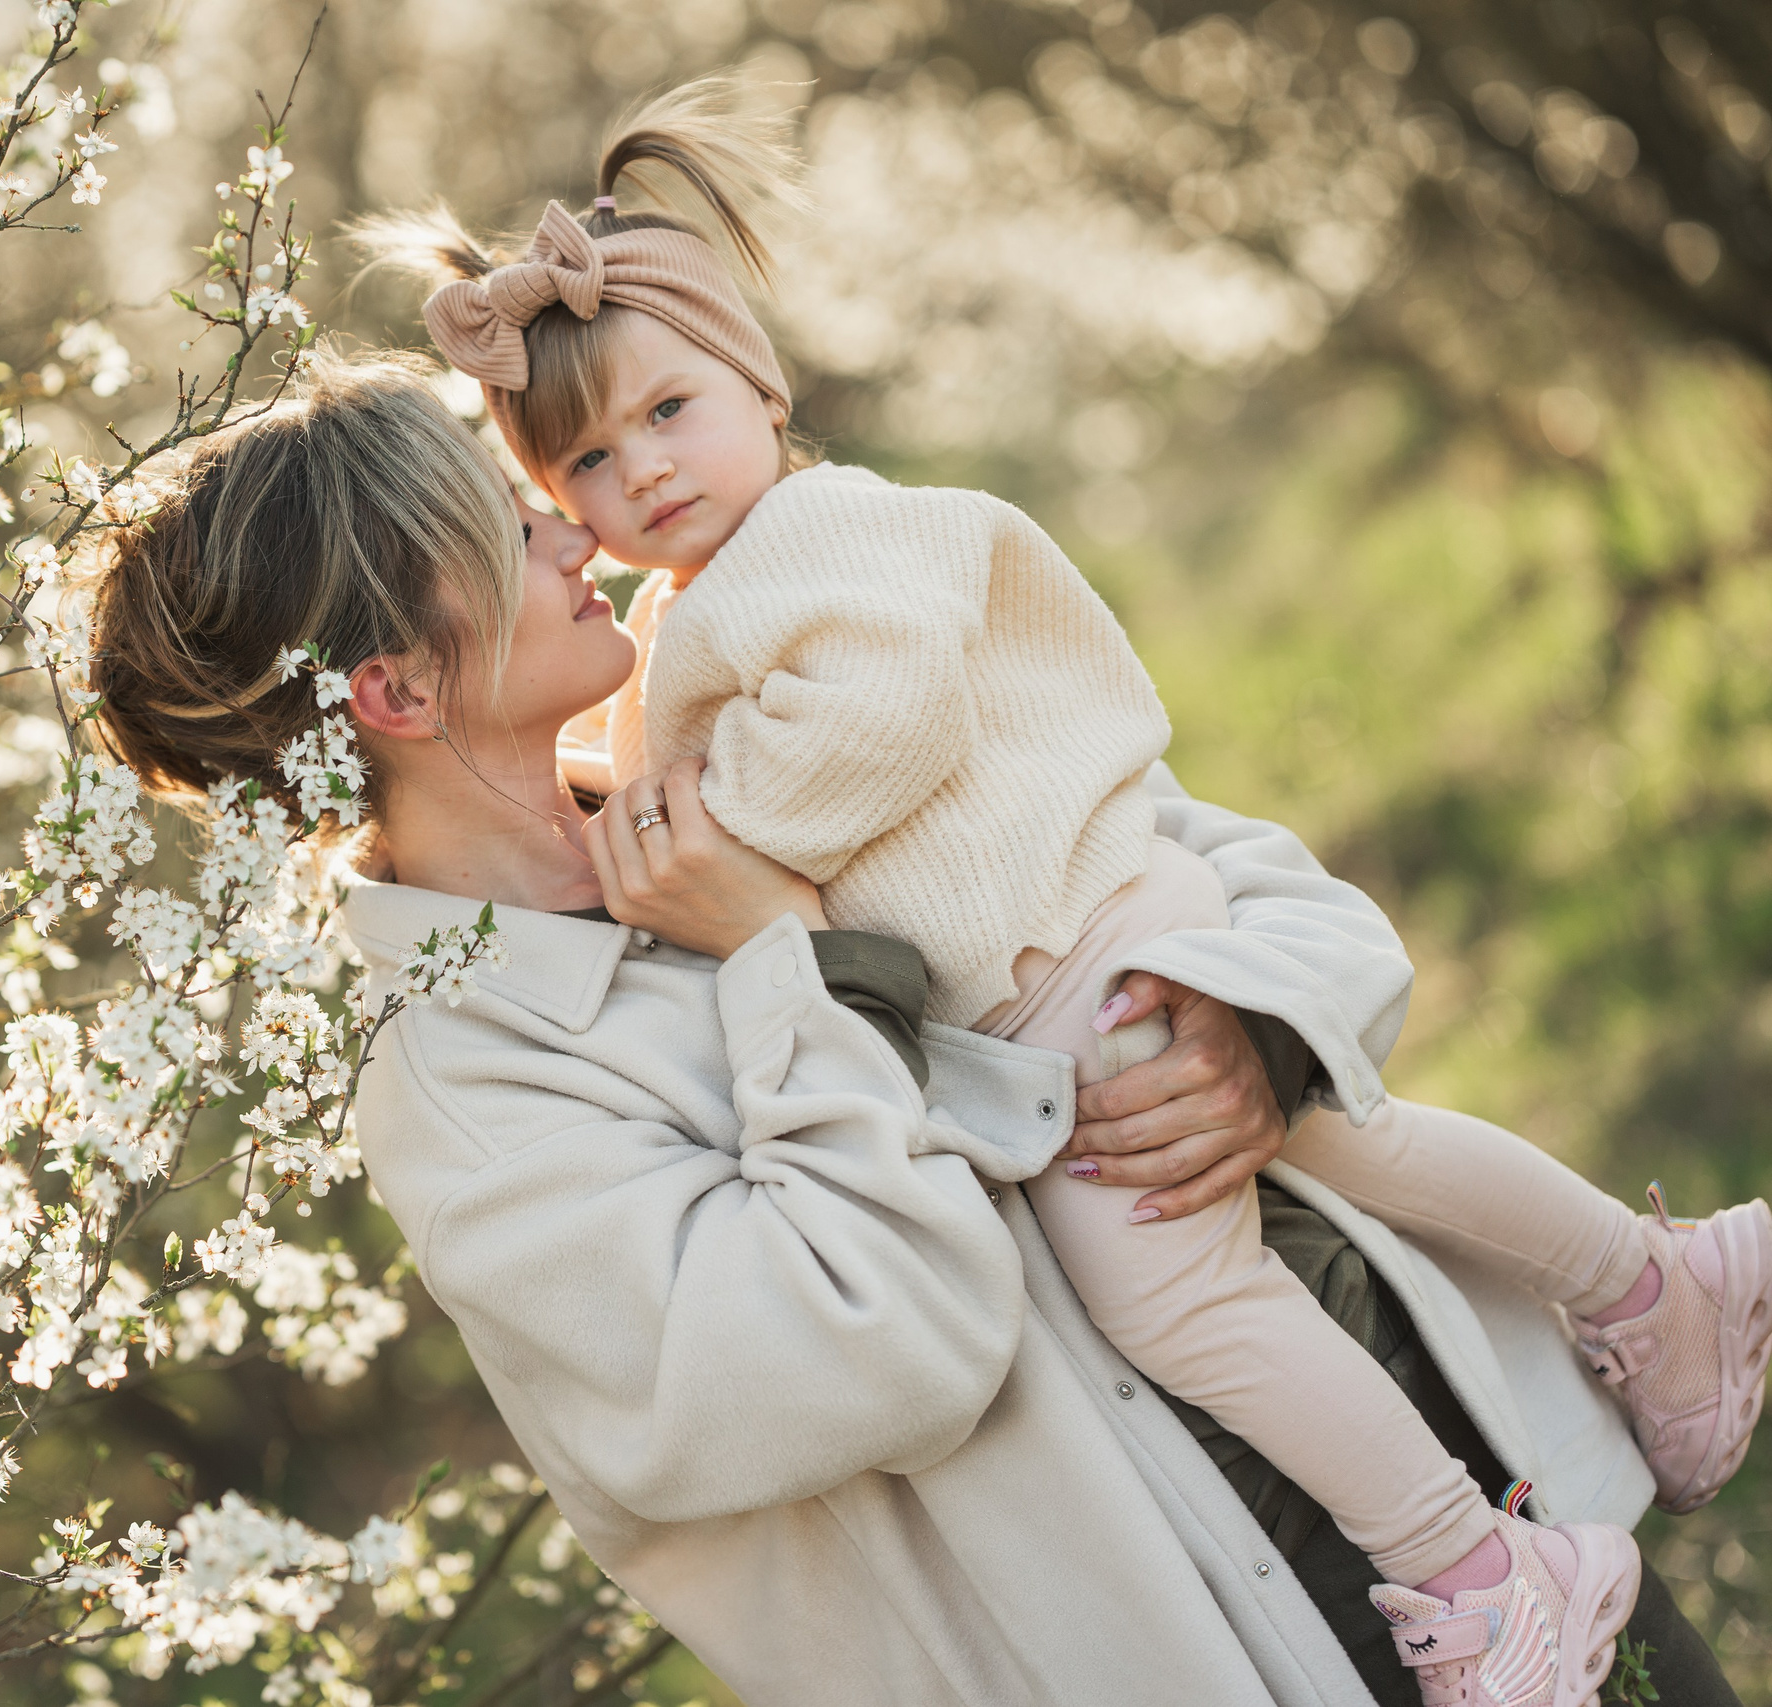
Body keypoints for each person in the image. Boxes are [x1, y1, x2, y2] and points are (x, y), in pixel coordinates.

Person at [362, 80, 1772, 1705]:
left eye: (671, 413)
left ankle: (1479, 1563)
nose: (637, 480)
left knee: (1171, 1284)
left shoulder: (821, 540)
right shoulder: (700, 639)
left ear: (761, 381)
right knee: (1352, 1139)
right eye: (590, 463)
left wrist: (735, 859)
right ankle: (1649, 1286)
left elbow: (881, 724)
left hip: (1080, 955)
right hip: (1081, 981)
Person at [84, 353, 1738, 1706]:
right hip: (1249, 1646)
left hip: (1498, 1506)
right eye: (506, 530)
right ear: (397, 695)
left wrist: (1259, 1034)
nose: (575, 532)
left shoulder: (746, 739)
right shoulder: (470, 1095)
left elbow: (1218, 864)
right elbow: (885, 1345)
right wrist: (781, 964)